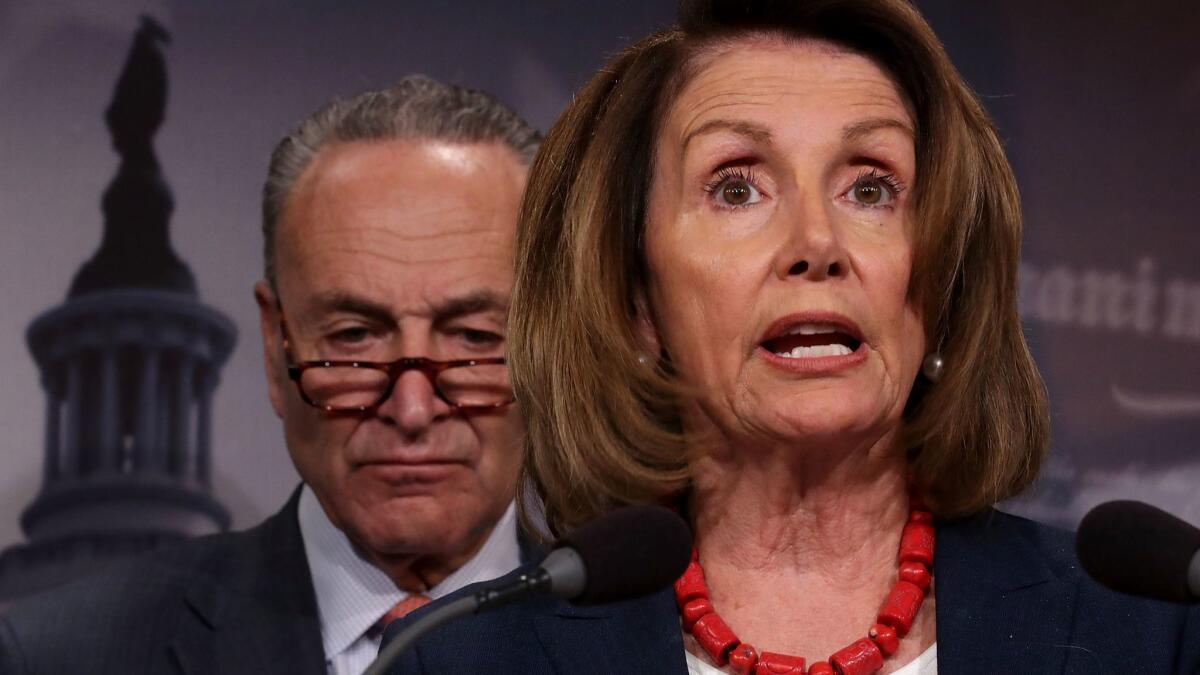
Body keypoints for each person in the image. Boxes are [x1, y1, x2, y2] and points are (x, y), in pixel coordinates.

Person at [376, 2, 1200, 674]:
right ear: (635, 299)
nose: (818, 240)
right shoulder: (468, 661)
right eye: (737, 187)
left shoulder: (1150, 636)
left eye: (872, 187)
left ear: (944, 284)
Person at [0, 75, 539, 675]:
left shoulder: (651, 646)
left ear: (551, 344)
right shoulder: (56, 657)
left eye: (476, 338)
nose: (412, 410)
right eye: (353, 337)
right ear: (274, 347)